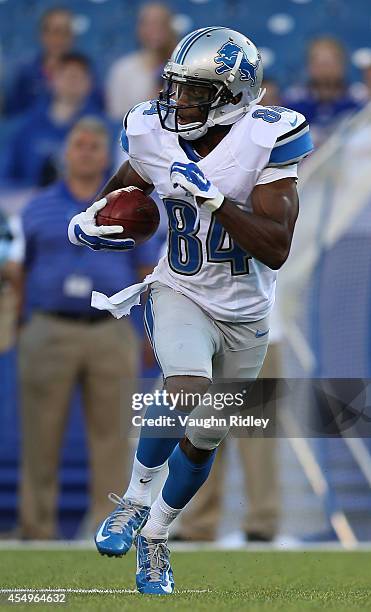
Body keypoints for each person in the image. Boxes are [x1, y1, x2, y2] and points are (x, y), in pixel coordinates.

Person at [68, 27, 313, 594]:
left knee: (205, 436)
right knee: (184, 391)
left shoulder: (267, 139)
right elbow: (129, 190)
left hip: (247, 313)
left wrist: (218, 202)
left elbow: (276, 247)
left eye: (197, 93)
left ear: (235, 94)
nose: (181, 103)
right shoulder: (152, 131)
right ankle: (132, 501)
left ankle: (156, 538)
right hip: (181, 290)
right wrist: (92, 220)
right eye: (178, 89)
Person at [19, 118, 159, 540]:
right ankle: (35, 531)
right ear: (66, 153)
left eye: (95, 146)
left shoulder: (129, 207)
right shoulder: (36, 206)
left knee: (112, 438)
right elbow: (20, 270)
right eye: (78, 145)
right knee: (40, 436)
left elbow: (147, 270)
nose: (86, 152)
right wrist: (21, 324)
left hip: (110, 331)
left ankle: (107, 531)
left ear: (106, 156)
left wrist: (150, 331)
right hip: (50, 327)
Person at [2, 53, 103, 188]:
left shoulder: (102, 128)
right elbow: (6, 174)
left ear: (89, 83)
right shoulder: (27, 126)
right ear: (52, 79)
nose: (72, 81)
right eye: (66, 75)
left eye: (78, 76)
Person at [5, 7, 103, 115]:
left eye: (66, 33)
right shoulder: (26, 74)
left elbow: (97, 112)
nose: (60, 39)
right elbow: (13, 116)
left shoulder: (87, 72)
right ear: (43, 35)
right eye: (56, 32)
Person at [106, 2, 177, 120]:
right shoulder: (123, 70)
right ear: (139, 29)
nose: (155, 29)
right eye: (149, 24)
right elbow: (116, 118)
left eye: (162, 23)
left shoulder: (184, 67)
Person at [284, 37, 359, 147]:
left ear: (343, 66)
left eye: (331, 63)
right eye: (320, 64)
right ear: (309, 67)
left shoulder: (359, 98)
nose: (325, 71)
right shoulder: (293, 101)